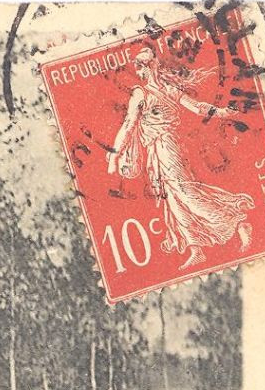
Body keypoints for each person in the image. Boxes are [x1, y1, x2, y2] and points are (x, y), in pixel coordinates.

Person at [108, 46, 255, 270]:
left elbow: (131, 124)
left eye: (142, 66)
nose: (140, 71)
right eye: (138, 66)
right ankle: (196, 248)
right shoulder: (159, 90)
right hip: (158, 149)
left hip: (166, 146)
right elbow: (195, 108)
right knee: (172, 198)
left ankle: (236, 222)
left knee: (185, 193)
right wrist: (226, 112)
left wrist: (114, 157)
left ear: (150, 67)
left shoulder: (148, 93)